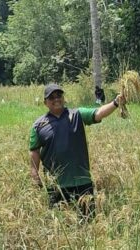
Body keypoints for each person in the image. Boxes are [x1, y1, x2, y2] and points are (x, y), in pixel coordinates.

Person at [29, 83, 125, 220]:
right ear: (45, 102)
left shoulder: (77, 114)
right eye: (52, 97)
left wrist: (116, 102)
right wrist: (34, 174)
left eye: (59, 95)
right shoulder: (38, 125)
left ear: (63, 98)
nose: (56, 99)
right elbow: (34, 151)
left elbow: (98, 114)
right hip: (55, 185)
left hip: (82, 182)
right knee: (60, 227)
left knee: (88, 222)